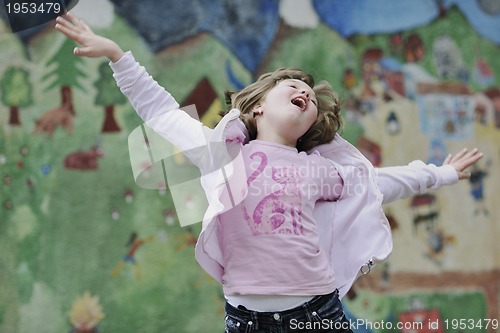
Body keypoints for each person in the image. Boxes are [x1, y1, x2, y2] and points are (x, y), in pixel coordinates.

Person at [55, 12, 483, 333]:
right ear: (258, 105)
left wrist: (439, 175)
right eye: (292, 87)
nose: (304, 93)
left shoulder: (317, 170)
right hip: (246, 319)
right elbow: (161, 111)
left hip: (317, 314)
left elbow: (376, 184)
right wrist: (116, 56)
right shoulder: (219, 154)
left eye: (311, 98)